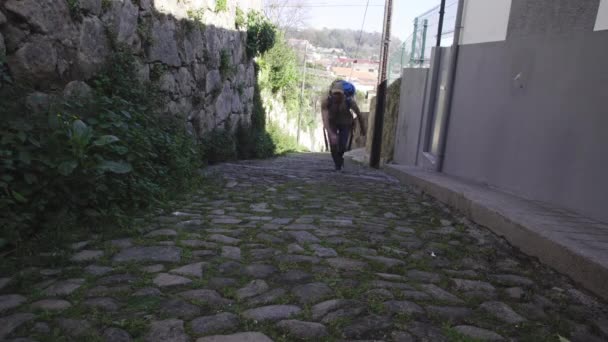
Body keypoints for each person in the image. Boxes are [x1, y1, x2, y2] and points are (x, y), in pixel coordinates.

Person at [321, 80, 366, 171]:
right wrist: (331, 133)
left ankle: (340, 158)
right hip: (332, 123)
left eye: (339, 94)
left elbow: (359, 114)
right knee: (333, 146)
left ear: (343, 94)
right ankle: (337, 165)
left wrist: (363, 128)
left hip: (345, 123)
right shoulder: (326, 102)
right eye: (335, 94)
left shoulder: (350, 102)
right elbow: (325, 120)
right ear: (331, 93)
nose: (337, 96)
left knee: (342, 145)